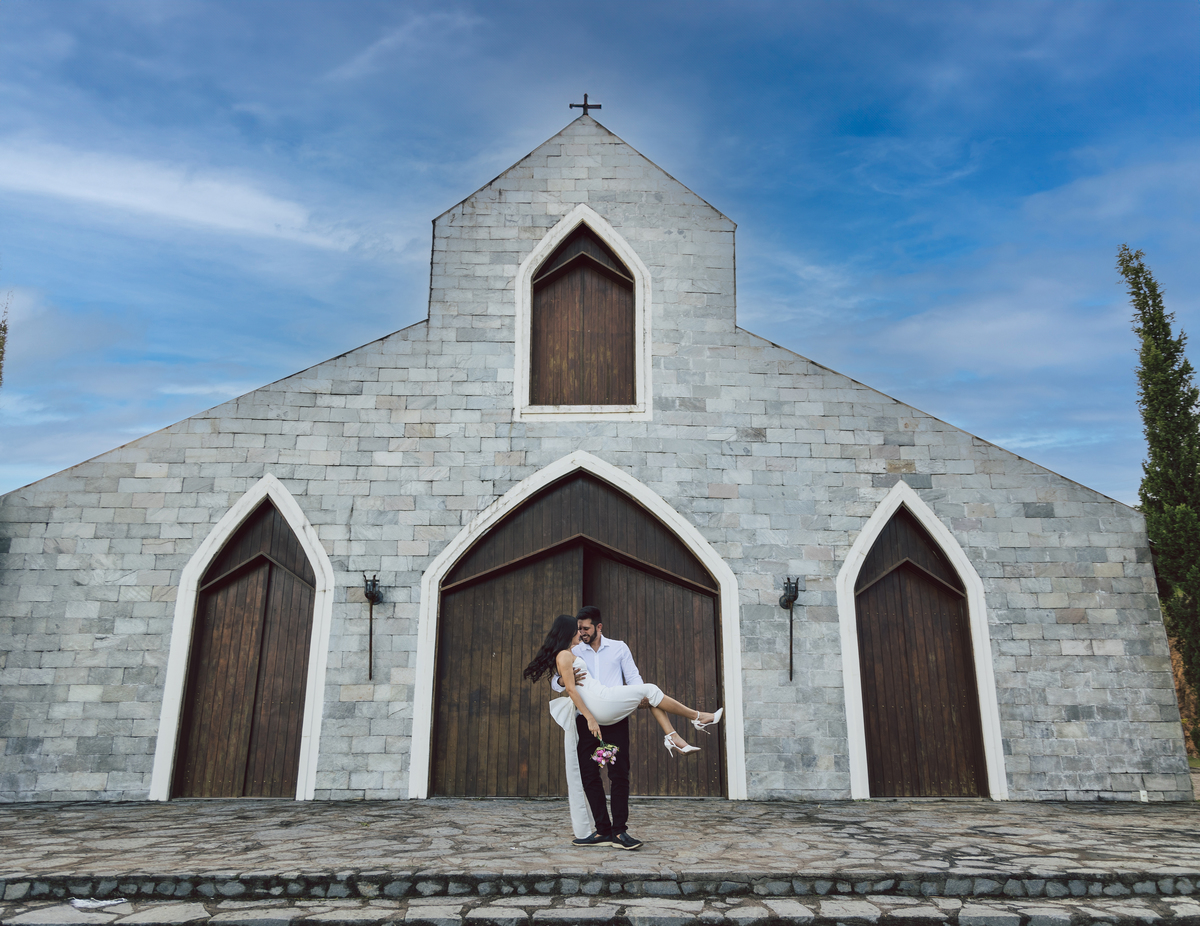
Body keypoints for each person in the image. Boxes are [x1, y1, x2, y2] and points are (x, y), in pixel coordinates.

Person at [524, 612, 722, 850]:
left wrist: (633, 696)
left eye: (585, 628)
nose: (582, 632)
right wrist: (579, 702)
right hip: (589, 719)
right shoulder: (572, 653)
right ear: (569, 632)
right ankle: (602, 831)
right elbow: (561, 685)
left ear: (598, 627)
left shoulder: (618, 648)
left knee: (618, 773)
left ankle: (619, 832)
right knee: (589, 773)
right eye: (578, 629)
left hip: (613, 717)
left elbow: (632, 678)